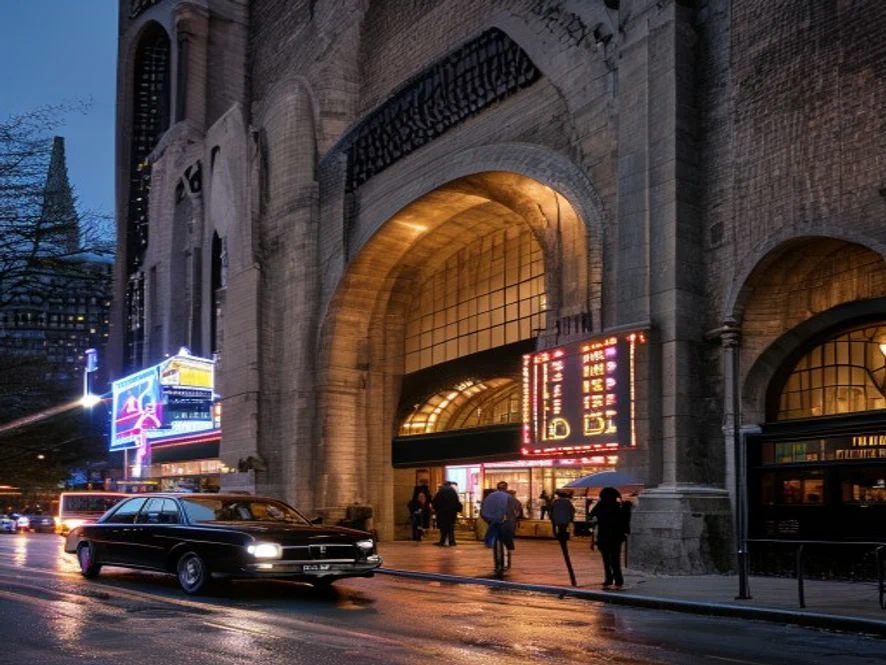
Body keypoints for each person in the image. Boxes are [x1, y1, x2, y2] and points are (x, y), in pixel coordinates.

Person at [589, 486, 628, 590]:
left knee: (606, 560)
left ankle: (608, 579)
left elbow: (591, 516)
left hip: (603, 535)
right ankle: (619, 580)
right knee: (615, 559)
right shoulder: (618, 507)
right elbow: (624, 522)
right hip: (616, 536)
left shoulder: (600, 506)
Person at [480, 481, 518, 553]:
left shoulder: (490, 495)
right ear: (506, 487)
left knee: (493, 530)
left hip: (491, 518)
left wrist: (487, 518)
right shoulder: (508, 496)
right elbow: (515, 507)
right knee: (505, 533)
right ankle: (506, 548)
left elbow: (484, 508)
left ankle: (490, 544)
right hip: (503, 518)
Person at [432, 481, 462, 546]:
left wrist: (436, 509)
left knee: (443, 528)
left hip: (442, 513)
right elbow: (457, 502)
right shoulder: (453, 491)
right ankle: (452, 541)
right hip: (451, 513)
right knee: (450, 527)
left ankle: (442, 541)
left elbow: (435, 501)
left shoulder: (440, 491)